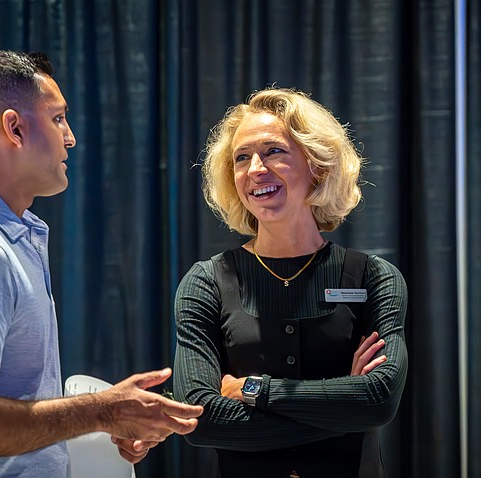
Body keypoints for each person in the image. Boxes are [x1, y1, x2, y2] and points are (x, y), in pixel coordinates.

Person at [0, 49, 202, 477]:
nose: (71, 137)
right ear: (15, 129)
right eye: (59, 118)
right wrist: (101, 412)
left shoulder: (5, 234)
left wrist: (108, 415)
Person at [173, 87, 408, 477]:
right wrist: (342, 406)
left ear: (317, 163)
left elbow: (379, 400)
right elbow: (200, 419)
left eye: (274, 151)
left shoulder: (374, 278)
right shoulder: (207, 283)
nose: (255, 169)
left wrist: (253, 390)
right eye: (242, 158)